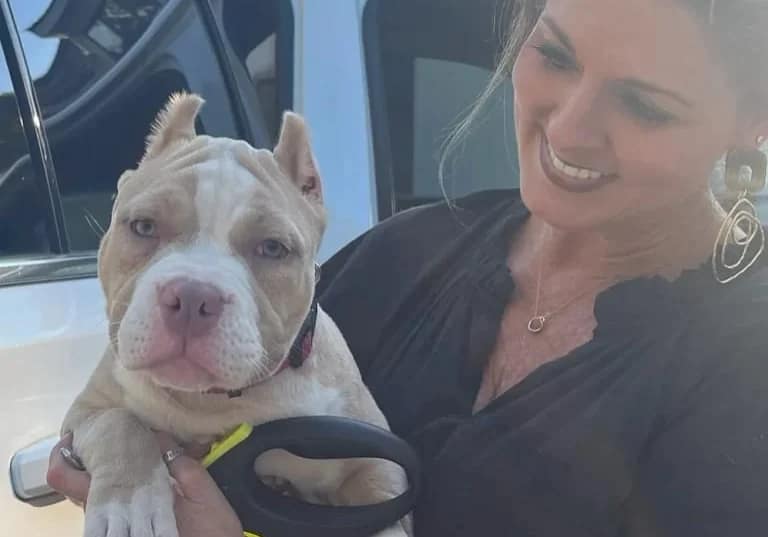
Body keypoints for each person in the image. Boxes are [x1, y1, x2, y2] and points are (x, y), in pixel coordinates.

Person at [47, 0, 768, 535]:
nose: (570, 126)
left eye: (643, 106)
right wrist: (121, 446)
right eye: (555, 55)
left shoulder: (742, 366)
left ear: (754, 118)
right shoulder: (403, 255)